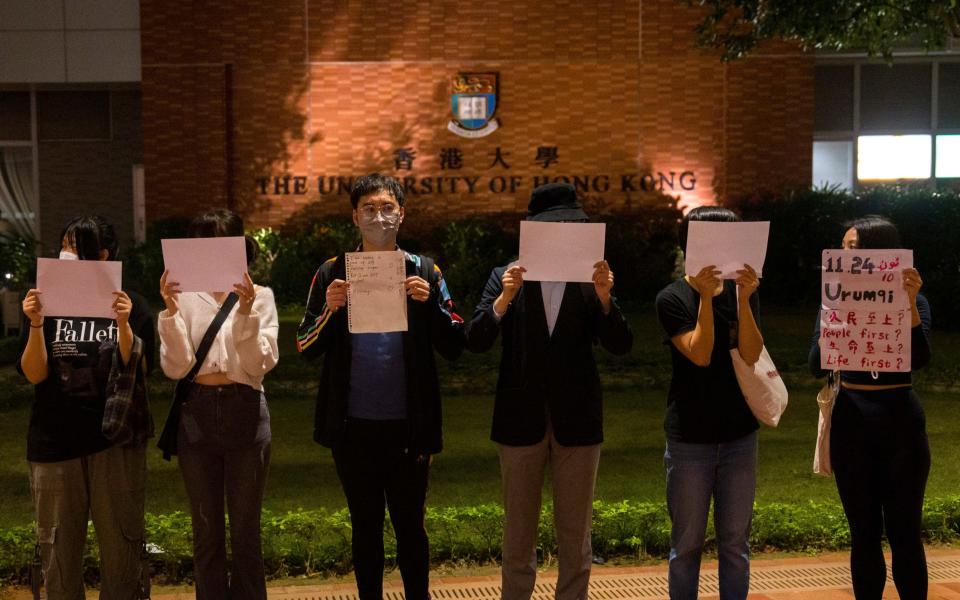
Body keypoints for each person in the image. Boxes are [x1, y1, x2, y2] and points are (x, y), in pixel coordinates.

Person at [296, 173, 465, 600]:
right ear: (355, 216)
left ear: (402, 214)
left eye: (387, 207)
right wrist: (331, 311)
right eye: (369, 208)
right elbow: (304, 345)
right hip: (352, 425)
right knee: (365, 525)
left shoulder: (424, 270)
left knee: (411, 525)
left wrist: (431, 306)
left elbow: (456, 344)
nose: (379, 216)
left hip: (409, 425)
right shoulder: (332, 272)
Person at [466, 182, 633, 600]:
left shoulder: (590, 278)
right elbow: (475, 339)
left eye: (570, 224)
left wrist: (605, 299)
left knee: (575, 535)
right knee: (518, 533)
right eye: (553, 225)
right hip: (520, 418)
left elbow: (621, 344)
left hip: (577, 419)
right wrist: (504, 299)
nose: (562, 232)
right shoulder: (506, 275)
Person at [18, 215, 155, 600]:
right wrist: (34, 324)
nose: (68, 252)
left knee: (121, 551)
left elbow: (140, 369)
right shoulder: (44, 302)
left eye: (77, 246)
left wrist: (124, 323)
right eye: (64, 243)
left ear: (104, 255)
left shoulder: (131, 303)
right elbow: (33, 373)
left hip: (112, 441)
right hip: (54, 443)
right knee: (58, 556)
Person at [158, 208, 279, 600]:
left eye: (220, 245)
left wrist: (244, 313)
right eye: (201, 246)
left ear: (238, 250)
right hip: (198, 414)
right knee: (206, 530)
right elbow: (176, 368)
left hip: (245, 408)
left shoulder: (260, 296)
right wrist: (172, 313)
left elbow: (259, 364)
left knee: (245, 531)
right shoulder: (184, 297)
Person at [808, 215, 931, 600]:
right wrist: (836, 322)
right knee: (863, 533)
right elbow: (816, 363)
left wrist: (909, 303)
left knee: (905, 530)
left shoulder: (917, 299)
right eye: (843, 247)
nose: (846, 254)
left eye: (854, 247)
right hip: (852, 423)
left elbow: (920, 358)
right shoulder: (833, 299)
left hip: (901, 424)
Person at [654, 206, 763, 600]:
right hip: (690, 440)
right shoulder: (672, 298)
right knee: (686, 545)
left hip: (739, 435)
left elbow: (750, 354)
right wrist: (705, 298)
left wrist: (746, 302)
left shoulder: (740, 291)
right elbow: (700, 353)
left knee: (735, 544)